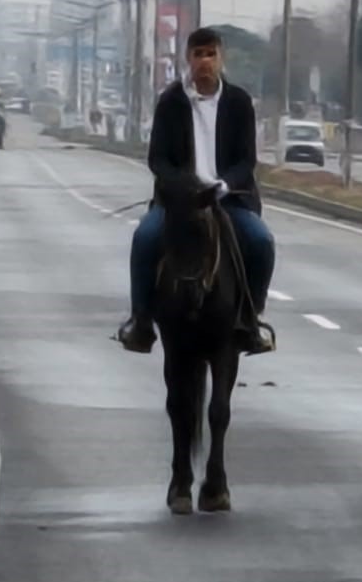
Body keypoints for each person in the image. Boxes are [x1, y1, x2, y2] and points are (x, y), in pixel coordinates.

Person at [117, 27, 275, 356]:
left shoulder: (239, 102)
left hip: (229, 200)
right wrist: (182, 186)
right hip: (179, 203)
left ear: (221, 58)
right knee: (144, 239)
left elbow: (247, 160)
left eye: (211, 54)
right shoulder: (171, 101)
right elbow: (157, 159)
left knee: (261, 241)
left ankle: (251, 319)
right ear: (188, 59)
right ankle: (141, 320)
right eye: (198, 54)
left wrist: (225, 184)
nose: (205, 61)